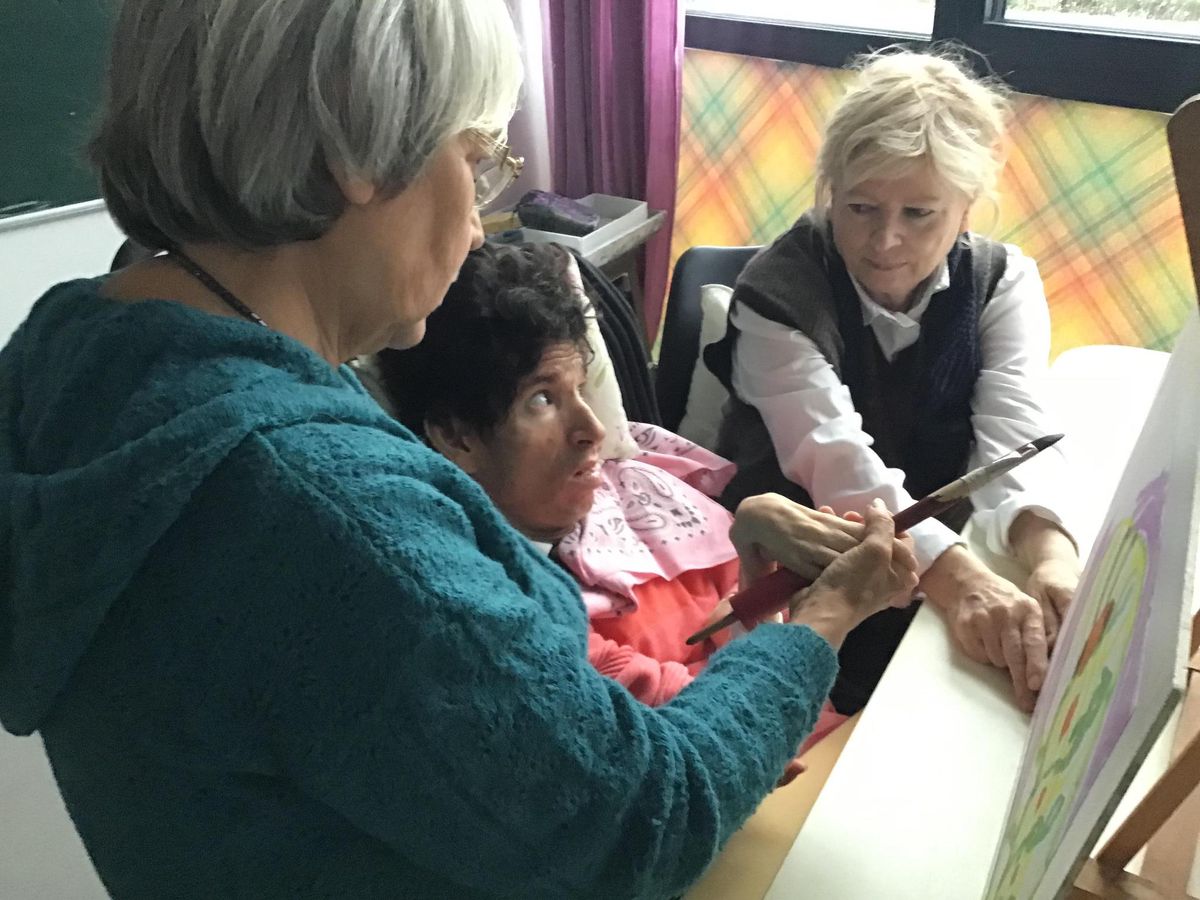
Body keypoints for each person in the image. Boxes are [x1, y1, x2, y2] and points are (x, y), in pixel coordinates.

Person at [0, 2, 917, 898]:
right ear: (359, 155)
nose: (479, 221)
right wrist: (824, 619)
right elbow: (644, 818)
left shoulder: (75, 355)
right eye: (476, 161)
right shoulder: (316, 509)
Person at [705, 48, 1082, 715]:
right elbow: (837, 463)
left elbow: (1014, 436)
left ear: (966, 208)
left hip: (931, 564)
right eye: (860, 207)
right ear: (829, 191)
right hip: (794, 568)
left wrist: (1050, 555)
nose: (883, 243)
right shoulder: (776, 296)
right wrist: (964, 583)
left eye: (919, 214)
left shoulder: (1003, 282)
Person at [374, 243, 849, 758]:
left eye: (582, 388)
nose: (593, 430)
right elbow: (708, 739)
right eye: (542, 399)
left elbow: (775, 677)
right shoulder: (512, 614)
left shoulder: (658, 506)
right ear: (457, 438)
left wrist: (759, 579)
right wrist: (831, 611)